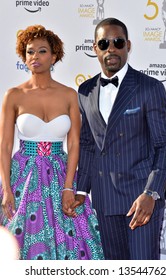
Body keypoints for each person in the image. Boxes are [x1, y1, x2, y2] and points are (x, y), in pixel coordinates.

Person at [0, 25, 104, 260]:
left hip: (60, 173)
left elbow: (75, 143)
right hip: (22, 177)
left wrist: (69, 186)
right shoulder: (14, 95)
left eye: (42, 51)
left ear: (54, 55)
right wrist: (6, 188)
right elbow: (5, 146)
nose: (35, 57)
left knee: (73, 238)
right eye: (29, 52)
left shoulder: (69, 94)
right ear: (23, 57)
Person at [76, 18, 166, 260]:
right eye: (104, 43)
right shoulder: (85, 91)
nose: (111, 48)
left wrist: (152, 193)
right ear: (95, 48)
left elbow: (165, 145)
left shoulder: (149, 87)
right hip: (104, 200)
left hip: (140, 199)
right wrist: (81, 190)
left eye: (118, 42)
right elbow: (88, 145)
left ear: (128, 45)